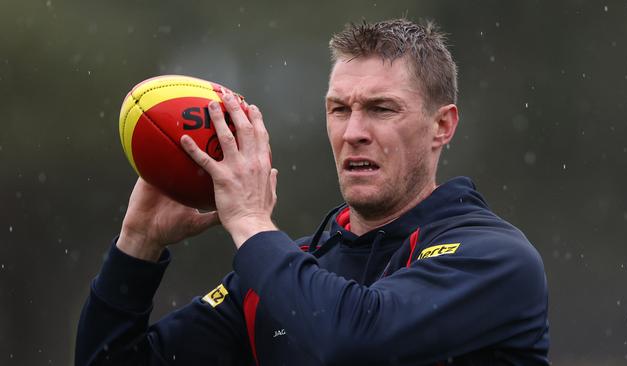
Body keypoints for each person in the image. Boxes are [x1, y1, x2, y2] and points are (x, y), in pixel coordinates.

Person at [76, 18, 549, 365]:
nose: (354, 132)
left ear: (441, 126)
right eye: (339, 109)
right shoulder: (284, 273)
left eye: (381, 109)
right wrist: (137, 247)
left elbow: (355, 342)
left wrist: (250, 222)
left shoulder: (495, 257)